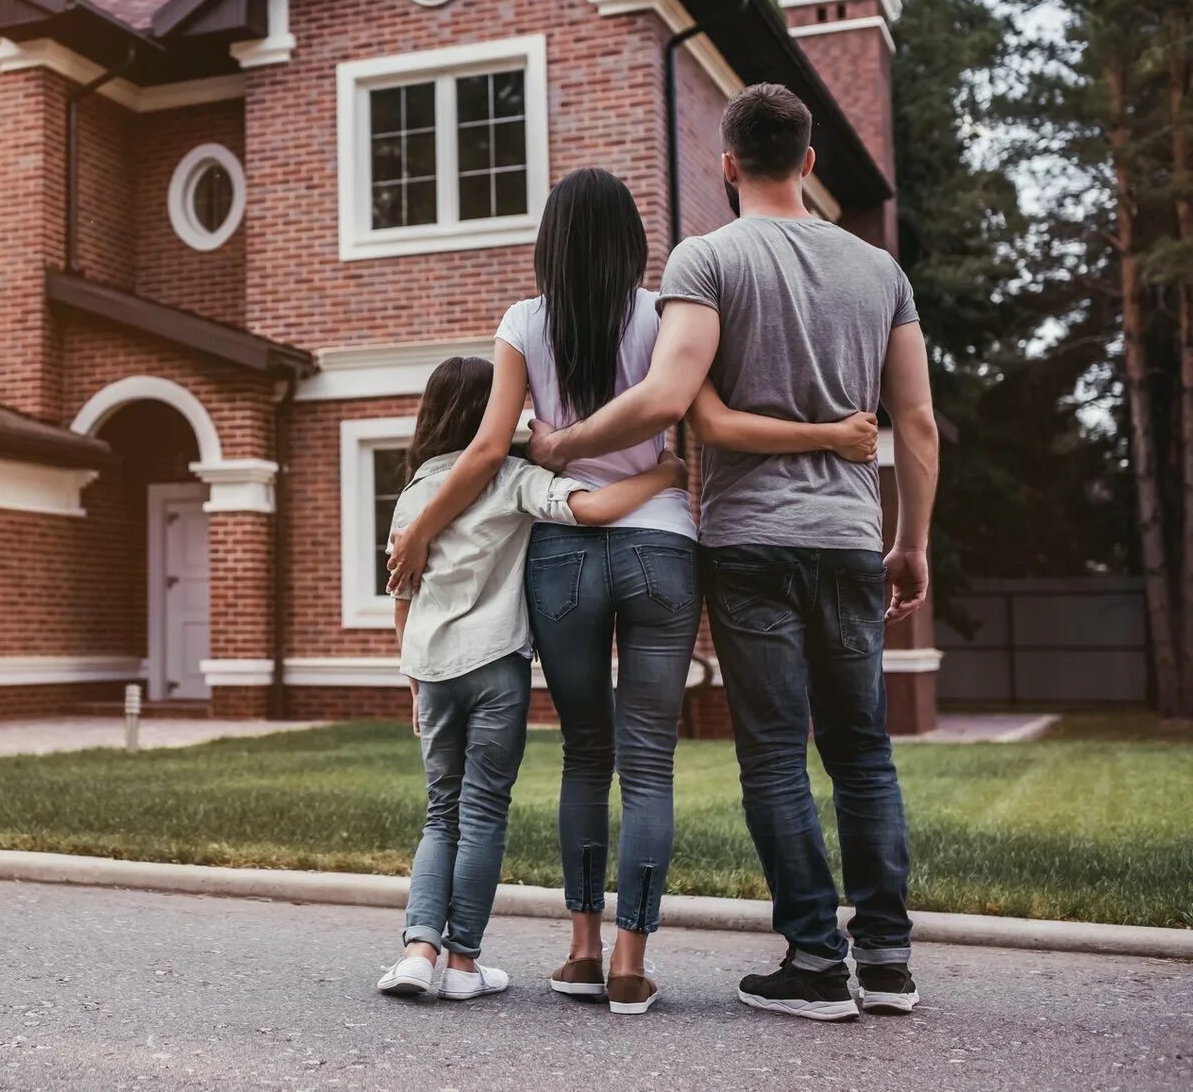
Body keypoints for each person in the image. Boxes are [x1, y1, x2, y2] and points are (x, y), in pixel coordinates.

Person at [385, 167, 878, 1016]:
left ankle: (578, 951)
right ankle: (628, 963)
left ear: (548, 242)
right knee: (649, 765)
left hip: (565, 556)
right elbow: (704, 415)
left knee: (586, 753)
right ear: (633, 244)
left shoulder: (523, 322)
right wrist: (672, 469)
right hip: (660, 547)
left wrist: (424, 526)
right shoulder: (667, 314)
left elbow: (485, 451)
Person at [521, 84, 940, 1022]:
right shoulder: (881, 272)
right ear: (811, 160)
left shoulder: (706, 259)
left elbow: (672, 399)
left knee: (778, 759)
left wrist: (563, 444)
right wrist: (909, 541)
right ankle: (888, 959)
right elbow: (914, 418)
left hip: (750, 542)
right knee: (864, 754)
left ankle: (815, 964)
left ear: (727, 164)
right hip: (846, 538)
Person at [375, 354, 687, 1002]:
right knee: (483, 812)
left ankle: (416, 951)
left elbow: (401, 596)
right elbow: (595, 508)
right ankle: (462, 964)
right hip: (496, 670)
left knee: (441, 814)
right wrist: (663, 473)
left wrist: (413, 681)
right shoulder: (514, 479)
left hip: (431, 673)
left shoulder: (411, 494)